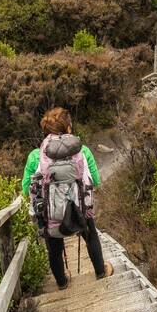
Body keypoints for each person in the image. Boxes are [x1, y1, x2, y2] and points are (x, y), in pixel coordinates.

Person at [22, 107, 113, 289]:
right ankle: (100, 271)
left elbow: (26, 188)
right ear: (68, 129)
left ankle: (62, 282)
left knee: (53, 247)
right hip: (79, 212)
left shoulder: (35, 156)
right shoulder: (83, 151)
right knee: (91, 234)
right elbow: (95, 180)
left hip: (51, 216)